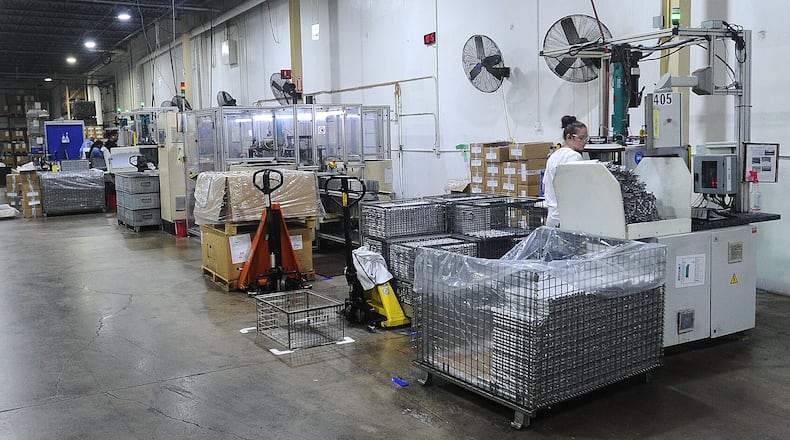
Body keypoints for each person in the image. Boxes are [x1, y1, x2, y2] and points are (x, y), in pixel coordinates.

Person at [542, 115, 588, 228]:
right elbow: (576, 190)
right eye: (581, 138)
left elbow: (544, 186)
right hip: (568, 220)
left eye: (586, 138)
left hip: (553, 218)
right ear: (569, 137)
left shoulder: (553, 156)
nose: (584, 142)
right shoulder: (574, 157)